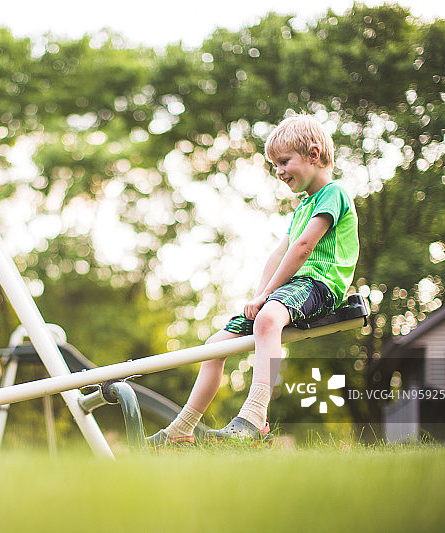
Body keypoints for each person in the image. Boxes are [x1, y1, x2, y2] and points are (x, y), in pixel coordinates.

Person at [148, 114, 359, 446]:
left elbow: (303, 248)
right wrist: (260, 296)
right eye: (275, 165)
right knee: (215, 346)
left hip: (319, 284)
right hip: (291, 289)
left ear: (314, 155)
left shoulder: (334, 193)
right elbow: (279, 253)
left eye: (284, 162)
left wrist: (268, 298)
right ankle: (181, 431)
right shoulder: (302, 208)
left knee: (268, 320)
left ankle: (254, 418)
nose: (279, 171)